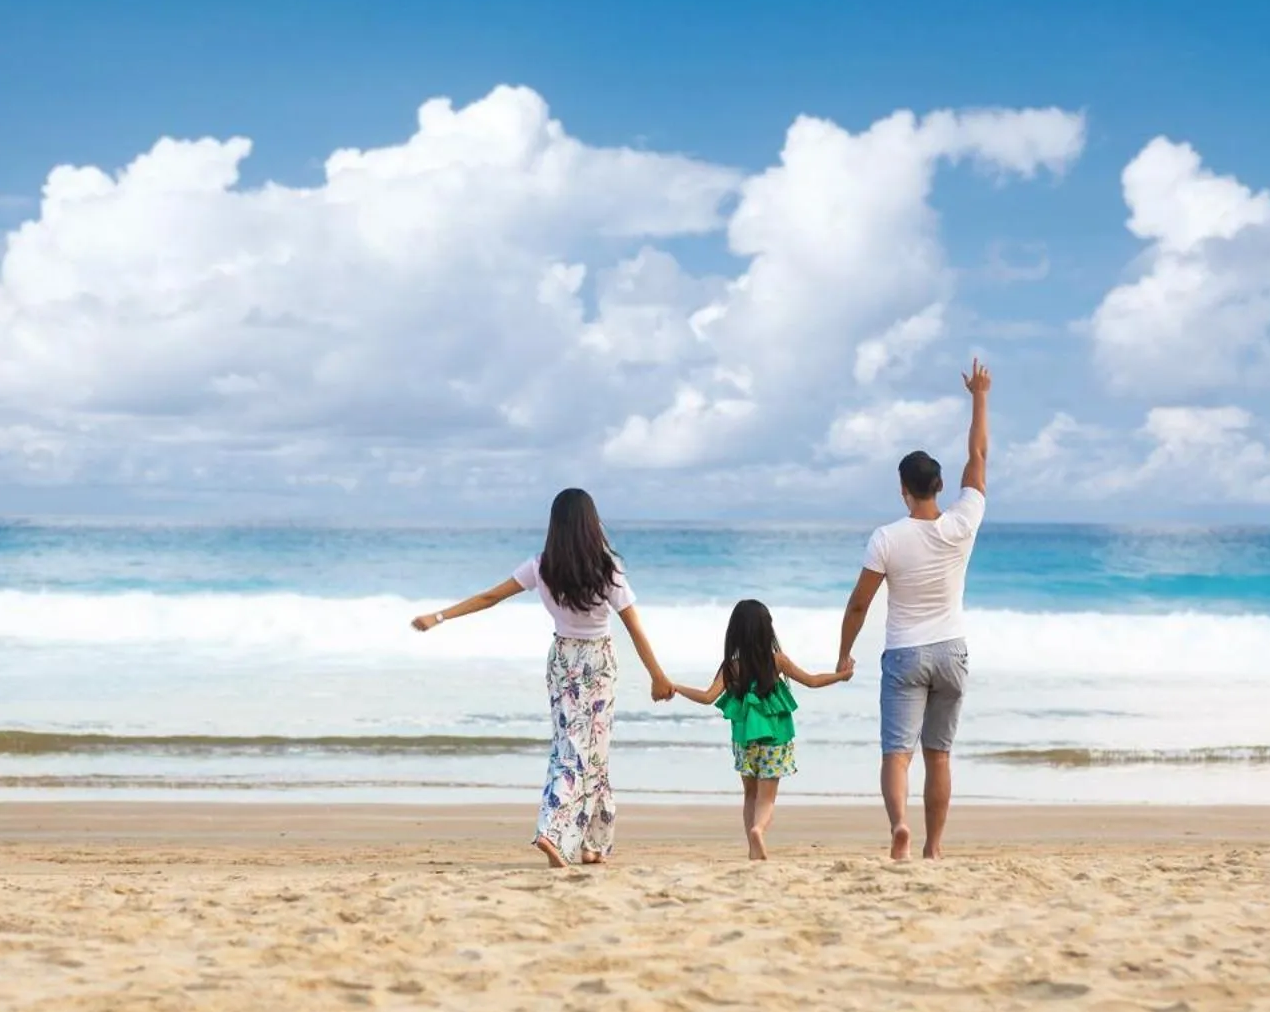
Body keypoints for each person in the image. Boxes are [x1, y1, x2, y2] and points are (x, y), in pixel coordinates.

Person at [412, 488, 674, 868]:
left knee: (571, 749)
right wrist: (657, 676)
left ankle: (591, 845)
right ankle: (551, 832)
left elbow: (489, 598)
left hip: (562, 660)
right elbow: (634, 628)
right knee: (590, 751)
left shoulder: (541, 566)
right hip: (599, 662)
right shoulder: (607, 569)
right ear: (591, 522)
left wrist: (438, 617)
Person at [837, 359, 991, 861]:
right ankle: (934, 847)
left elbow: (860, 602)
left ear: (903, 489)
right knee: (939, 755)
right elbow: (979, 455)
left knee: (897, 755)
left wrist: (844, 655)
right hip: (951, 650)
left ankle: (900, 827)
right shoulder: (963, 523)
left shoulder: (887, 537)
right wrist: (979, 396)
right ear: (941, 486)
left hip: (904, 653)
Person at [667, 599, 851, 860]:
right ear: (768, 630)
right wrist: (841, 676)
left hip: (745, 742)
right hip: (775, 740)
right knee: (767, 799)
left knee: (750, 794)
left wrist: (676, 687)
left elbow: (707, 697)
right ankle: (758, 830)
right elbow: (812, 681)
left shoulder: (732, 666)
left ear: (735, 633)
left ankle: (753, 846)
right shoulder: (778, 661)